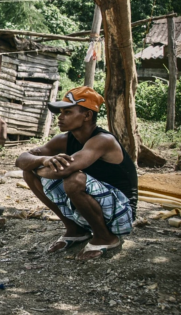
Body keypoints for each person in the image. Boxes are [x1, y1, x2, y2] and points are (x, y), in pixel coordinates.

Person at [15, 86, 137, 261]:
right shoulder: (64, 139)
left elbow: (63, 171)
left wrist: (37, 165)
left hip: (122, 213)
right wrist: (42, 161)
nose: (60, 117)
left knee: (74, 179)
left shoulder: (103, 140)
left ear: (87, 116)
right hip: (99, 205)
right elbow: (21, 159)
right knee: (29, 174)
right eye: (60, 112)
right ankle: (75, 231)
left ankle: (106, 237)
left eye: (68, 112)